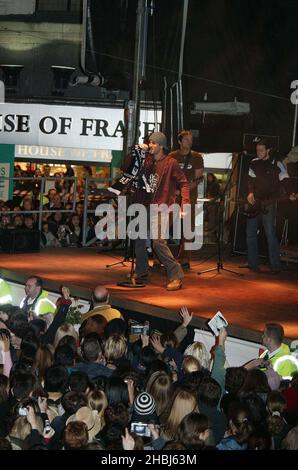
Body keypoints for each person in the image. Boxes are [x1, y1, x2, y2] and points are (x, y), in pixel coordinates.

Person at [134, 132, 190, 291]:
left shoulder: (171, 163)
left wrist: (185, 204)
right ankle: (142, 270)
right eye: (149, 142)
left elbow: (184, 183)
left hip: (163, 206)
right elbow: (128, 167)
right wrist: (138, 151)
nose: (150, 145)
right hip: (145, 205)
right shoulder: (147, 161)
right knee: (138, 238)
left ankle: (177, 275)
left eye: (153, 143)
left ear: (161, 145)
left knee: (158, 242)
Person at [245, 139, 289, 273]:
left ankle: (275, 266)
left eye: (261, 150)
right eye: (257, 150)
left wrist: (291, 193)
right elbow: (250, 180)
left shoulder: (277, 163)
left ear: (268, 150)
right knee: (250, 234)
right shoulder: (253, 163)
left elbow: (286, 181)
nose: (258, 152)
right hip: (255, 202)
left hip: (269, 203)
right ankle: (253, 264)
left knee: (270, 233)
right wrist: (250, 192)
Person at [169, 130, 204, 270]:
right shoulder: (172, 156)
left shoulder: (196, 157)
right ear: (179, 141)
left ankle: (184, 259)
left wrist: (182, 189)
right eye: (186, 140)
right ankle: (161, 257)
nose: (189, 142)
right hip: (172, 198)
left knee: (188, 229)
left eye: (191, 140)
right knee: (164, 226)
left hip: (189, 198)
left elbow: (198, 178)